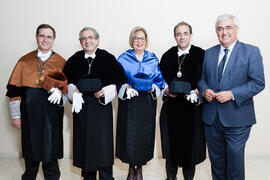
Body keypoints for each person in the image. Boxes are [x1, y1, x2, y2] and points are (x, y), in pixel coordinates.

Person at [198, 14, 265, 180]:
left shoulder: (251, 51)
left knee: (235, 165)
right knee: (217, 164)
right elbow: (201, 78)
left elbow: (258, 82)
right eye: (220, 29)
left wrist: (232, 94)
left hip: (238, 119)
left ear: (236, 29)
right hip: (212, 118)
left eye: (228, 27)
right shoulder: (208, 53)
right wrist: (205, 90)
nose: (224, 32)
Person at [63, 27, 127, 180]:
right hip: (82, 108)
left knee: (103, 145)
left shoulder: (108, 58)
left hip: (101, 109)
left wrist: (106, 91)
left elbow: (120, 82)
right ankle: (88, 177)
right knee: (85, 145)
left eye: (91, 37)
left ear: (97, 40)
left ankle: (106, 177)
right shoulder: (74, 60)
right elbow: (65, 83)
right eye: (84, 38)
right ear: (80, 42)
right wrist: (74, 90)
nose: (87, 41)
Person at [6, 24, 67, 180]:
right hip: (29, 115)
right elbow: (14, 90)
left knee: (51, 150)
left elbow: (68, 90)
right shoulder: (24, 62)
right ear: (36, 37)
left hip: (52, 116)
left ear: (54, 39)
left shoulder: (61, 62)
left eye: (49, 36)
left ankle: (52, 177)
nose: (45, 39)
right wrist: (15, 115)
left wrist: (60, 93)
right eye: (42, 36)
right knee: (30, 150)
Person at [116, 27, 165, 180]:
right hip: (129, 103)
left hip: (146, 103)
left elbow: (160, 81)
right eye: (136, 38)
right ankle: (131, 167)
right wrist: (125, 88)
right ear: (132, 40)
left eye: (142, 38)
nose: (139, 41)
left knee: (144, 136)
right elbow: (116, 80)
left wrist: (154, 88)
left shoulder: (152, 58)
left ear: (146, 41)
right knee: (129, 136)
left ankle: (140, 168)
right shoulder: (123, 58)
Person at [159, 21, 206, 180]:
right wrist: (165, 89)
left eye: (185, 33)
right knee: (171, 147)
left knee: (189, 148)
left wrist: (197, 93)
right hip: (172, 109)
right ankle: (170, 178)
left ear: (191, 35)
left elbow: (206, 79)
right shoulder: (167, 55)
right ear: (174, 36)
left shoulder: (201, 55)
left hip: (192, 111)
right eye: (178, 34)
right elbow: (160, 80)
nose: (182, 37)